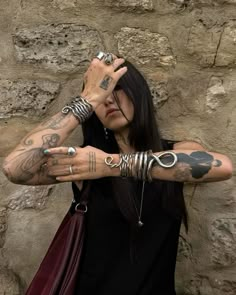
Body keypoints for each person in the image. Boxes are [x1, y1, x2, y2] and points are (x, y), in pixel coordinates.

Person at [2, 52, 233, 295]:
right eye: (102, 95)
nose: (109, 100)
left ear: (138, 93)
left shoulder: (173, 153)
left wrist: (110, 165)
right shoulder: (83, 163)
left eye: (118, 88)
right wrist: (86, 99)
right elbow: (14, 168)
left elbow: (222, 166)